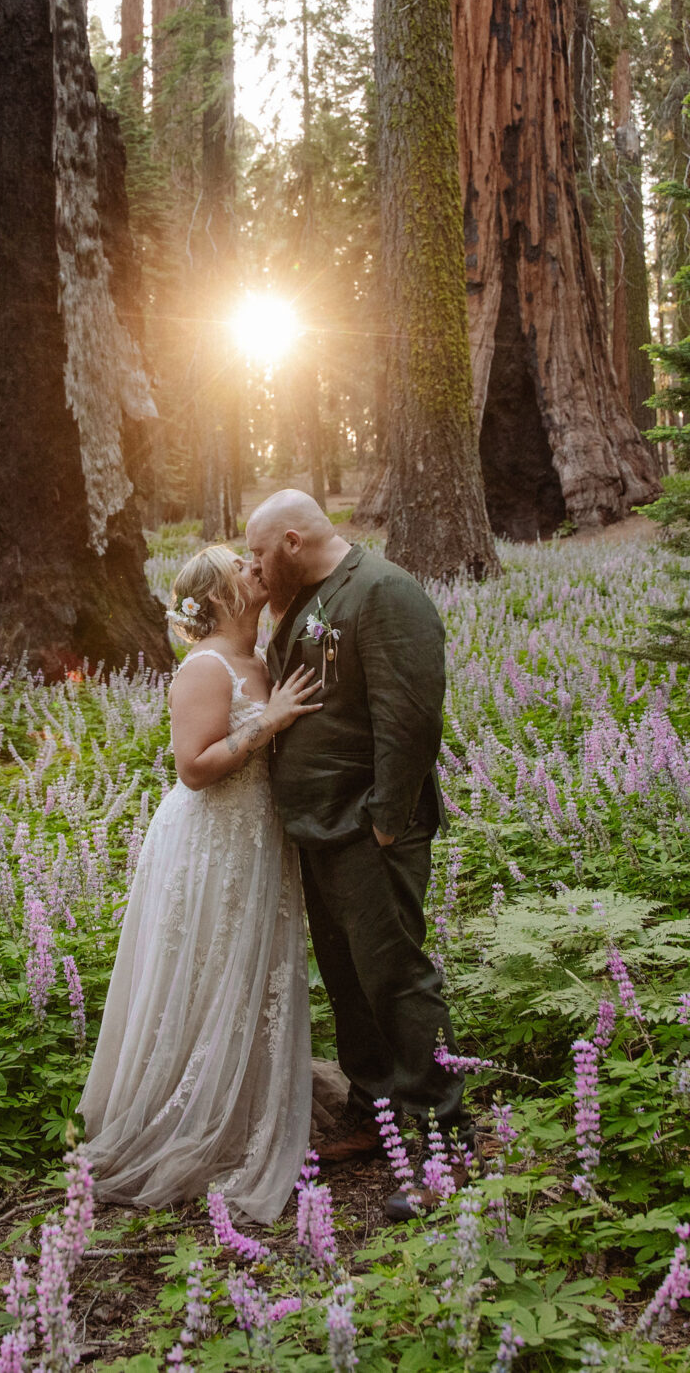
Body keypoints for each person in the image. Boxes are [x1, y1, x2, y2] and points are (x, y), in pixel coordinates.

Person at [76, 545, 324, 1222]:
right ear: (219, 596)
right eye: (244, 565)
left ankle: (240, 1095)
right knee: (206, 963)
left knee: (247, 971)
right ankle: (184, 1111)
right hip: (209, 839)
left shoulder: (264, 658)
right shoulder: (204, 667)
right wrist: (267, 723)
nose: (258, 568)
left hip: (258, 837)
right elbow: (193, 766)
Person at [245, 489, 464, 1217]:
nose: (253, 567)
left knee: (396, 977)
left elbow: (411, 715)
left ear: (295, 540)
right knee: (348, 981)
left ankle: (444, 1140)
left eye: (258, 554)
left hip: (370, 832)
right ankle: (375, 1114)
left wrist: (385, 822)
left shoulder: (384, 592)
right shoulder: (306, 598)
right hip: (320, 832)